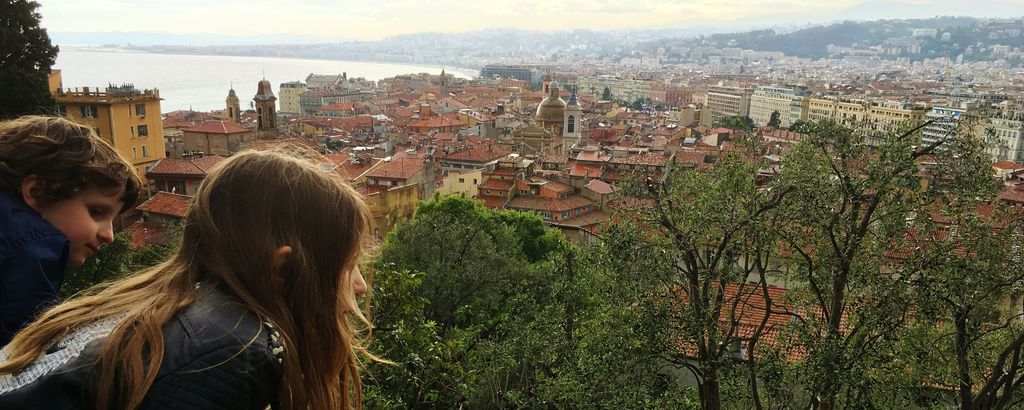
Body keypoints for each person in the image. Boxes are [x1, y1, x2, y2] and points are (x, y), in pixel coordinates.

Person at [0, 150, 376, 409]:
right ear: (284, 268)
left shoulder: (169, 305)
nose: (360, 285)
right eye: (348, 264)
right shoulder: (229, 349)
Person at [0, 115, 143, 348]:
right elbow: (28, 355)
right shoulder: (29, 249)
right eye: (96, 212)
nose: (109, 235)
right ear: (37, 192)